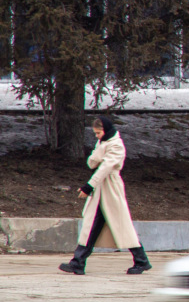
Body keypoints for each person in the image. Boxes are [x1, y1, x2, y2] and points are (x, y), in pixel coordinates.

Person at [58, 117, 152, 275]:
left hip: (111, 188)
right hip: (102, 187)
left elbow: (106, 168)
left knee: (120, 225)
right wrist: (100, 149)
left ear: (106, 130)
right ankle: (78, 262)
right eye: (95, 133)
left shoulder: (116, 145)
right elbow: (92, 163)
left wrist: (89, 186)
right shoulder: (104, 143)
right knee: (92, 226)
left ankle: (141, 260)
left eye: (98, 133)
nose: (96, 136)